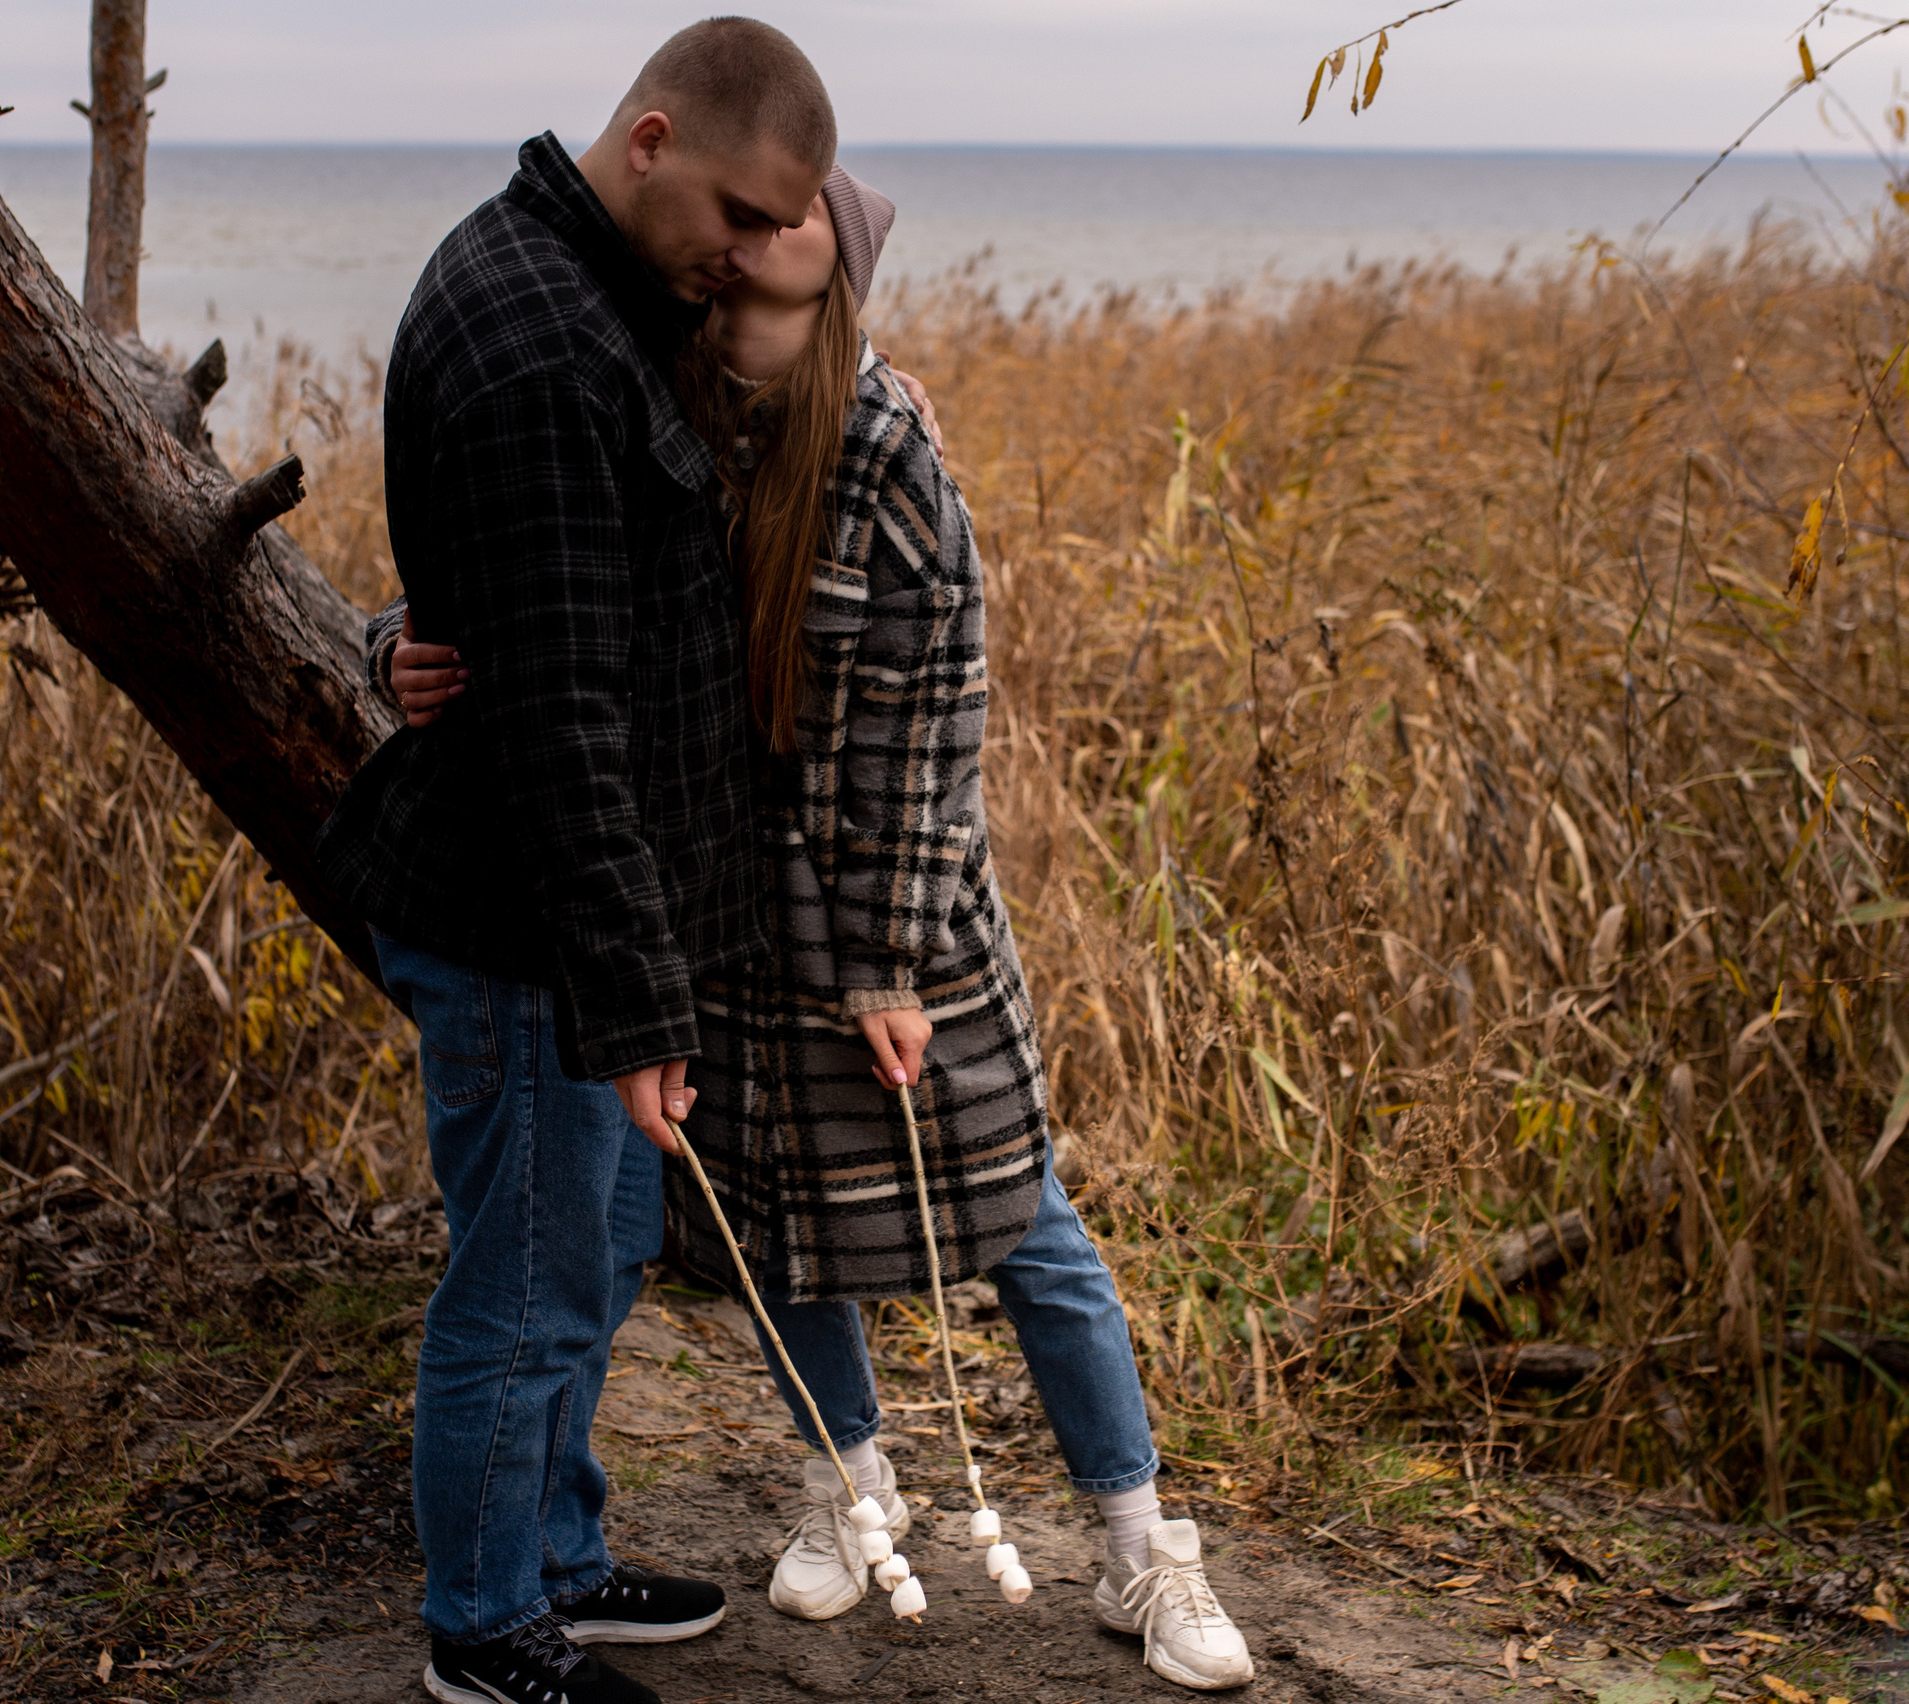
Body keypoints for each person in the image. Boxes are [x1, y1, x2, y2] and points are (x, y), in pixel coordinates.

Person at [373, 166, 1258, 1692]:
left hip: (892, 923)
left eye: (774, 256)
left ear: (835, 280)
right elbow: (542, 588)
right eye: (728, 253)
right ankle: (850, 1492)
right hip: (720, 922)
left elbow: (936, 728)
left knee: (1024, 1219)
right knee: (784, 1224)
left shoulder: (887, 448)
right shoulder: (660, 391)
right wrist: (391, 642)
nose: (737, 275)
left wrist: (889, 959)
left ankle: (1140, 1544)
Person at [314, 20, 848, 1704]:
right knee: (530, 1287)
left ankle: (553, 1553)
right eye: (742, 216)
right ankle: (484, 1627)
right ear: (653, 139)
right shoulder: (544, 339)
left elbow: (535, 603)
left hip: (585, 932)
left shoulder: (605, 287)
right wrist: (639, 1003)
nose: (750, 256)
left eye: (778, 228)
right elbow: (559, 725)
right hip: (525, 931)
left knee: (593, 1261)